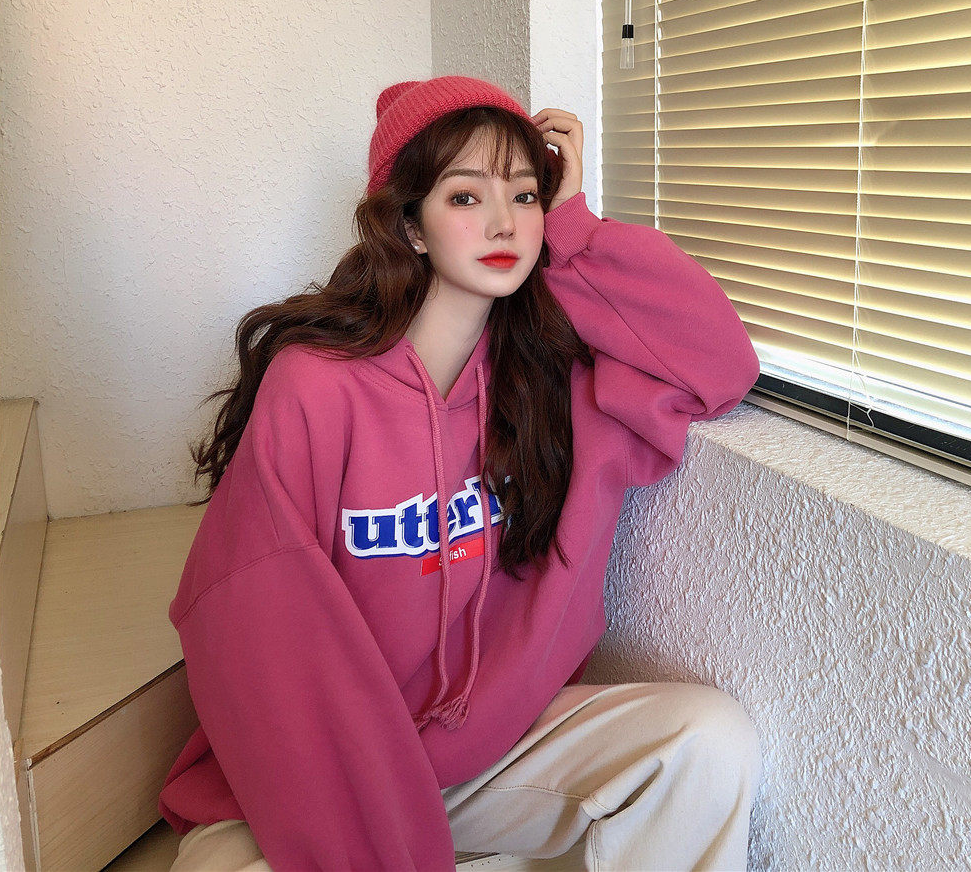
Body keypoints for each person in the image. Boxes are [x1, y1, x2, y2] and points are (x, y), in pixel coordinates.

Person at [159, 75, 764, 871]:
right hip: (314, 780)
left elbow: (719, 363)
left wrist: (577, 230)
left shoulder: (552, 387)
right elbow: (262, 637)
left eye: (525, 194)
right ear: (410, 225)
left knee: (709, 741)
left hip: (480, 760)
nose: (505, 222)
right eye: (466, 197)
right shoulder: (315, 387)